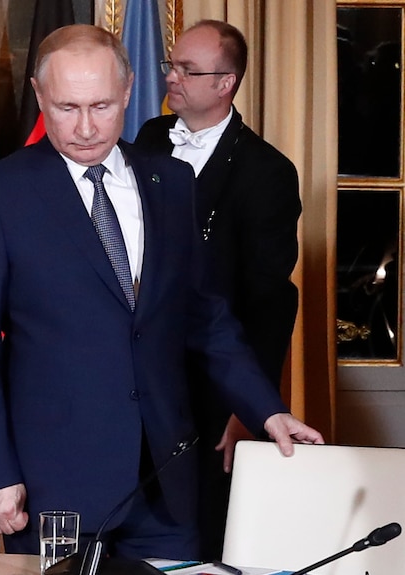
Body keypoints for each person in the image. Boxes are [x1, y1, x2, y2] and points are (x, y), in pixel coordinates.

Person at [0, 24, 323, 561]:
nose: (83, 127)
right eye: (66, 107)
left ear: (127, 92)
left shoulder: (170, 182)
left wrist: (266, 410)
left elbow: (206, 317)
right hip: (54, 486)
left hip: (165, 481)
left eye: (100, 105)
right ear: (38, 96)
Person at [135, 20, 301, 559]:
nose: (172, 76)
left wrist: (248, 406)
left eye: (188, 69)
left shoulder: (267, 172)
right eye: (171, 64)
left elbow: (270, 302)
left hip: (211, 385)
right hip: (141, 373)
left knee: (199, 528)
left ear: (226, 83)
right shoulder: (150, 139)